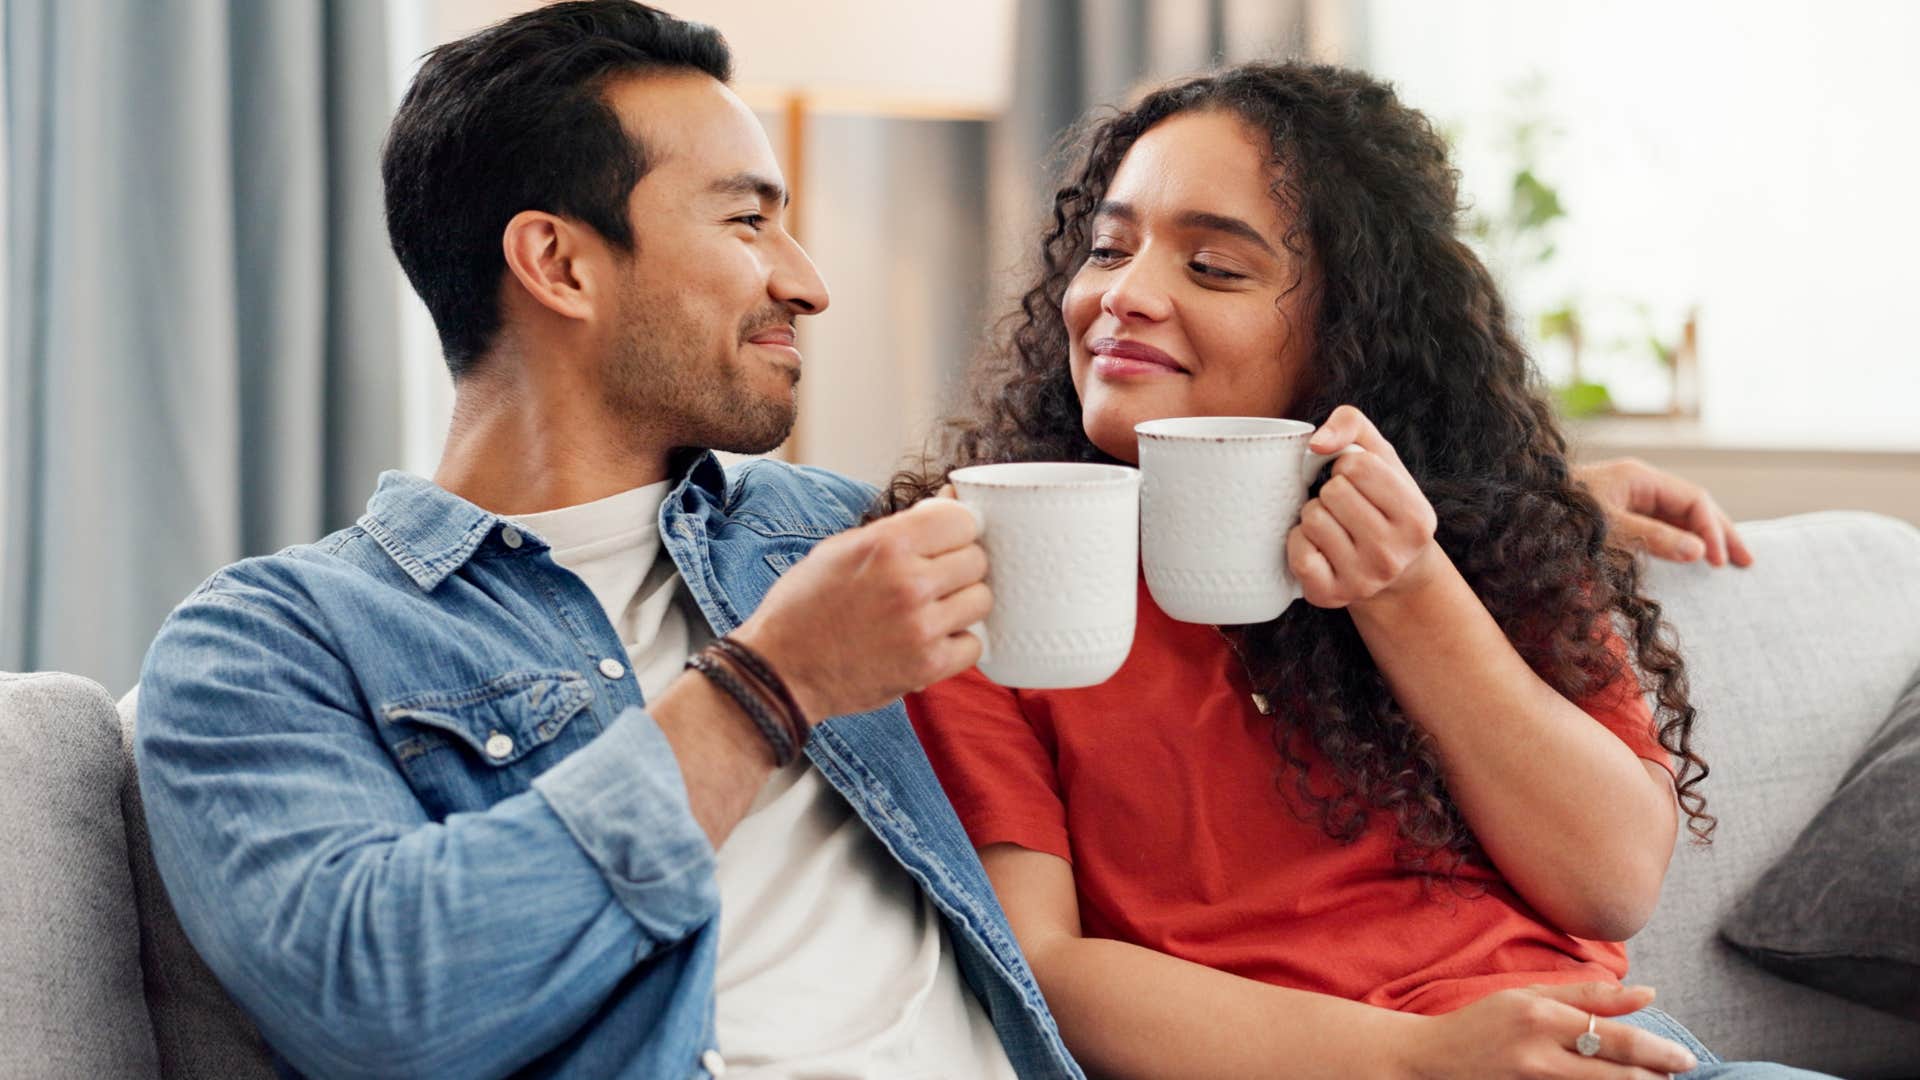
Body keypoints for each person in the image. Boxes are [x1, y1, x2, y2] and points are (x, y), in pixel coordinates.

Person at [133, 4, 1752, 1078]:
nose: (812, 278)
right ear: (558, 264)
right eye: (749, 217)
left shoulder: (844, 535)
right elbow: (379, 995)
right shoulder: (272, 645)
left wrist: (1530, 500)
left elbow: (1152, 510)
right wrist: (767, 691)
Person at [899, 62, 1817, 1079]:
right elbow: (1043, 970)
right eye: (1107, 248)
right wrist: (1418, 1057)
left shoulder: (1482, 532)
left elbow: (1609, 886)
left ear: (1350, 326)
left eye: (1211, 266)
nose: (1123, 294)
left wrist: (1409, 586)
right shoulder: (985, 564)